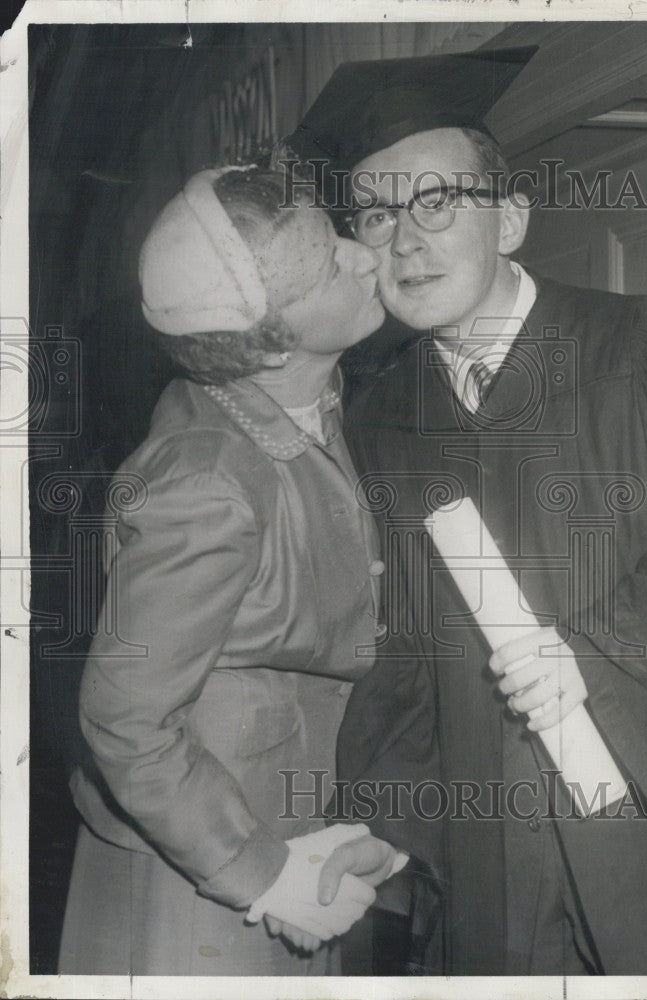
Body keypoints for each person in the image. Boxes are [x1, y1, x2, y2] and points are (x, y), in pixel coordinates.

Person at [286, 49, 647, 975]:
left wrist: (599, 652)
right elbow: (405, 659)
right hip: (491, 867)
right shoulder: (382, 422)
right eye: (376, 214)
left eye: (435, 202)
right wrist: (387, 828)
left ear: (510, 218)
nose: (404, 239)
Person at [58, 165, 405, 976]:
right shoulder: (210, 478)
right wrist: (265, 875)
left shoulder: (298, 410)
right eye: (328, 263)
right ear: (273, 337)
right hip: (206, 881)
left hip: (278, 844)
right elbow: (124, 719)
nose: (365, 256)